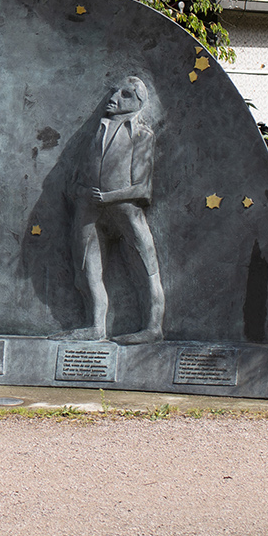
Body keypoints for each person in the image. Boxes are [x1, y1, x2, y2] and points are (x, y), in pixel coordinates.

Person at [68, 76, 165, 343]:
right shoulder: (95, 133)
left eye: (124, 94)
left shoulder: (142, 135)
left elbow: (143, 189)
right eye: (113, 92)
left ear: (138, 101)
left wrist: (110, 196)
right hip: (90, 210)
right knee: (88, 270)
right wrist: (81, 192)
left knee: (147, 269)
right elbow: (76, 177)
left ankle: (152, 328)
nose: (113, 99)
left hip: (126, 211)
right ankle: (95, 326)